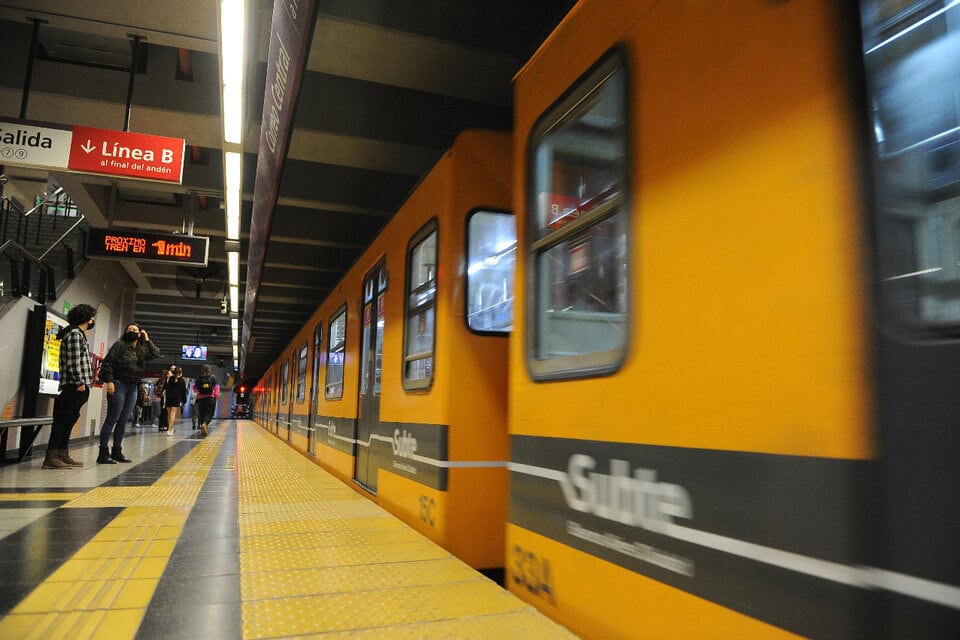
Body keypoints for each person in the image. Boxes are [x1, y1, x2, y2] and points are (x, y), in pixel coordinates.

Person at [43, 304, 97, 469]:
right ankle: (51, 456)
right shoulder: (75, 335)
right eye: (92, 317)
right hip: (74, 386)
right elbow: (73, 363)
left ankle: (62, 452)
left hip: (77, 386)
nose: (93, 320)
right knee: (63, 420)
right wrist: (80, 383)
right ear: (86, 318)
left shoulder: (78, 334)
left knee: (69, 419)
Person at [96, 323, 160, 463]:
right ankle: (103, 453)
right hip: (118, 384)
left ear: (140, 333)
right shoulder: (119, 345)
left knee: (123, 421)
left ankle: (117, 451)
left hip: (133, 387)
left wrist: (147, 339)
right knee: (111, 419)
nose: (132, 331)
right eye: (129, 329)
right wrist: (110, 381)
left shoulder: (141, 350)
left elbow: (155, 353)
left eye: (135, 330)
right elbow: (107, 363)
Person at [193, 364, 220, 437]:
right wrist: (216, 396)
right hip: (210, 398)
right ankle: (205, 425)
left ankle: (203, 430)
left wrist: (199, 392)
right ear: (209, 370)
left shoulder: (199, 378)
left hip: (201, 399)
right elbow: (216, 388)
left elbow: (195, 389)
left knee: (201, 414)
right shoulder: (213, 377)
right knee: (209, 413)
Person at [163, 367, 188, 435]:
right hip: (176, 398)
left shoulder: (170, 379)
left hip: (169, 397)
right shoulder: (182, 380)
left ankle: (170, 428)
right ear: (180, 372)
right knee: (173, 413)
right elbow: (183, 391)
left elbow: (166, 387)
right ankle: (169, 429)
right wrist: (184, 400)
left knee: (169, 414)